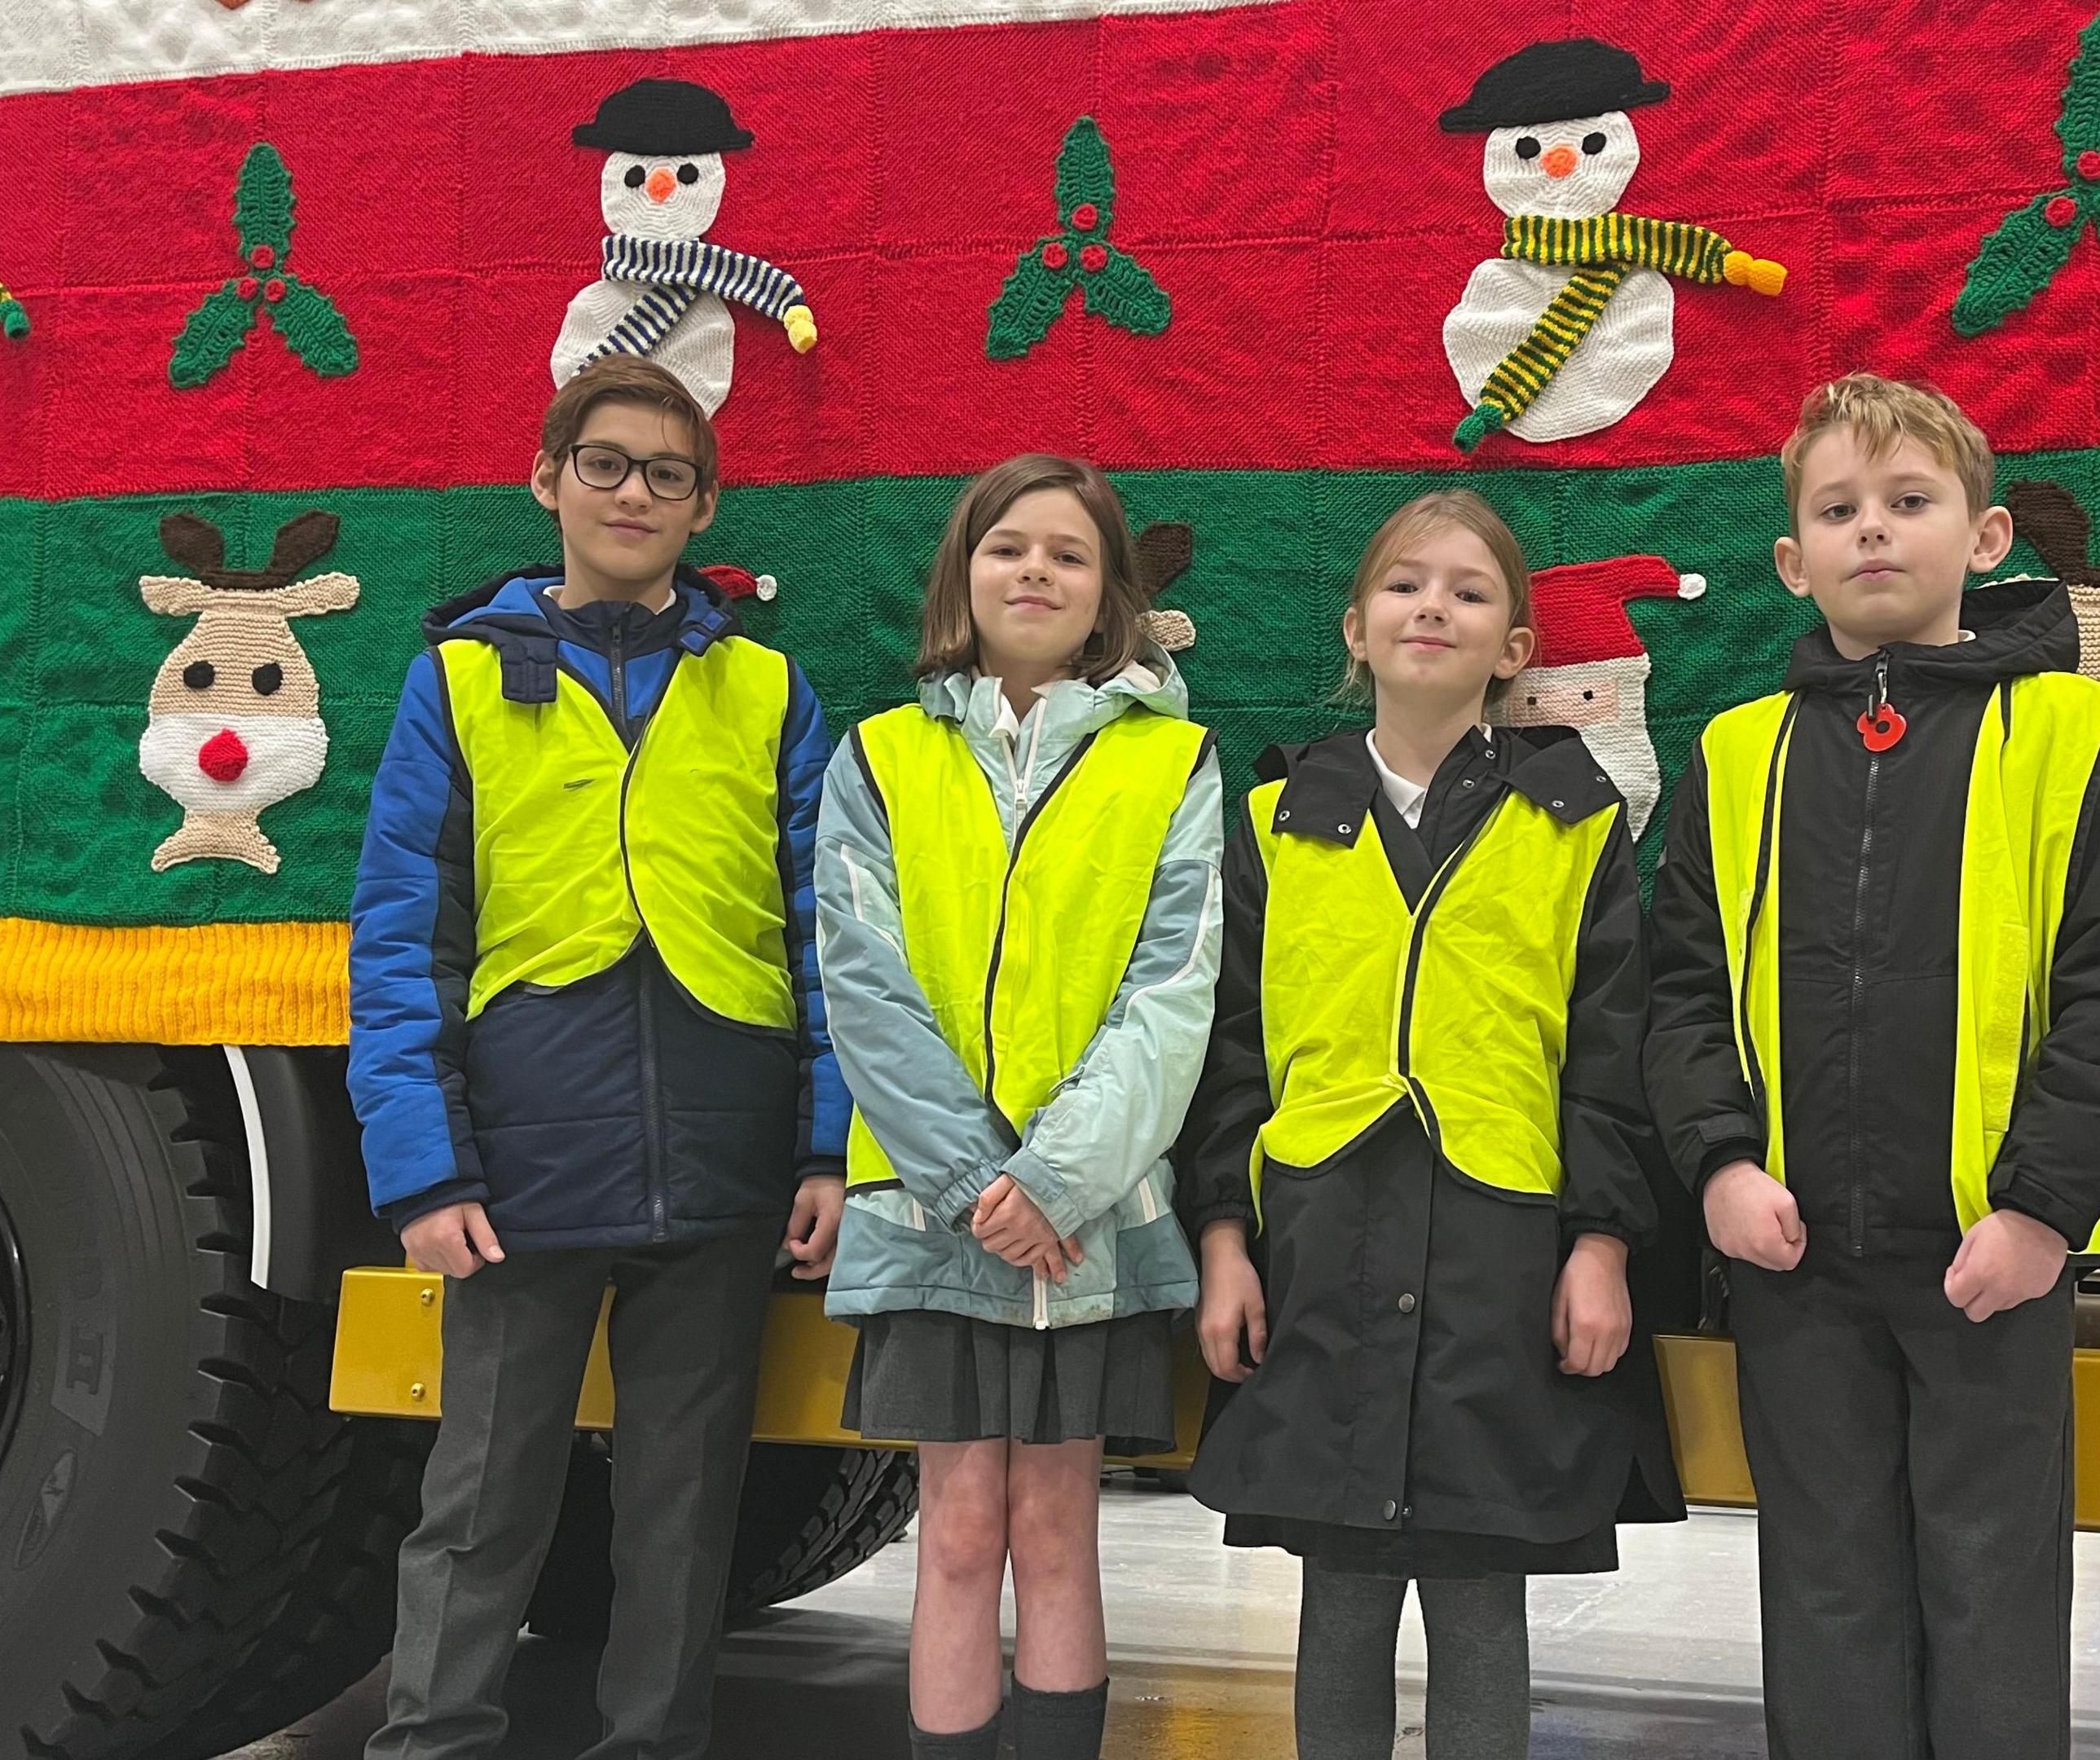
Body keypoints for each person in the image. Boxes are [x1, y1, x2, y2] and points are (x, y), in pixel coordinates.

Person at [1644, 373, 2100, 1758]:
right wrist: (1716, 1162)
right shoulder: (1733, 753)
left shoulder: (2069, 738)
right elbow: (1684, 988)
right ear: (1793, 558)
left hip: (1989, 1259)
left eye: (1908, 501)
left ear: (1985, 536)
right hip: (1795, 1255)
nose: (1872, 531)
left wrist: (2040, 1212)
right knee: (1824, 1586)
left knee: (1993, 1587)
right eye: (1838, 510)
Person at [346, 354, 848, 1758]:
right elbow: (402, 941)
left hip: (723, 1159)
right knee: (482, 1499)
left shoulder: (767, 691)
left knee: (683, 1512)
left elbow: (826, 939)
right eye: (608, 464)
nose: (635, 492)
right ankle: (430, 1743)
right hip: (515, 1165)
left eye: (668, 475)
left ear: (703, 513)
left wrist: (824, 1146)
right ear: (548, 483)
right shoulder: (454, 680)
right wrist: (424, 1170)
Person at [1180, 489, 1684, 1760]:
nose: (1433, 607)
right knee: (1339, 1591)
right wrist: (1227, 1241)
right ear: (1356, 627)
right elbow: (1230, 1051)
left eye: (1470, 591)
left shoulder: (1575, 824)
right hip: (1318, 1250)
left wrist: (1602, 1242)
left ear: (1515, 647)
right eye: (1407, 585)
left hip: (1498, 1257)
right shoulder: (1276, 821)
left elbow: (1612, 1060)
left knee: (1477, 1590)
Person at [815, 454, 1223, 1760]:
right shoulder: (878, 759)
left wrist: (1052, 1183)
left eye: (1068, 552)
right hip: (936, 1216)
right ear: (963, 574)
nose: (1035, 570)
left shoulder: (1177, 762)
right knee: (957, 1534)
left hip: (1089, 1220)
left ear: (1111, 591)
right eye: (1008, 547)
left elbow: (1174, 994)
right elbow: (861, 982)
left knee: (1056, 1532)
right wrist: (973, 1184)